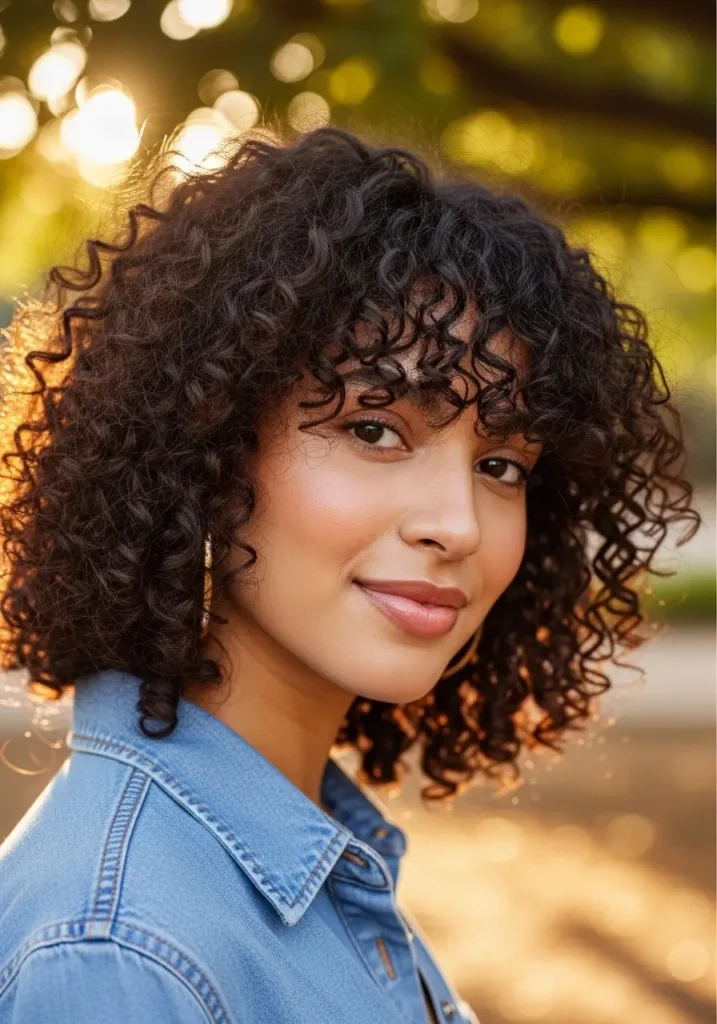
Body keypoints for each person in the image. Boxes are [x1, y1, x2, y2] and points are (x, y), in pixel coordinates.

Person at [0, 126, 698, 1024]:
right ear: (204, 448)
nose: (456, 524)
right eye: (374, 428)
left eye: (501, 465)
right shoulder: (119, 957)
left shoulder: (303, 852)